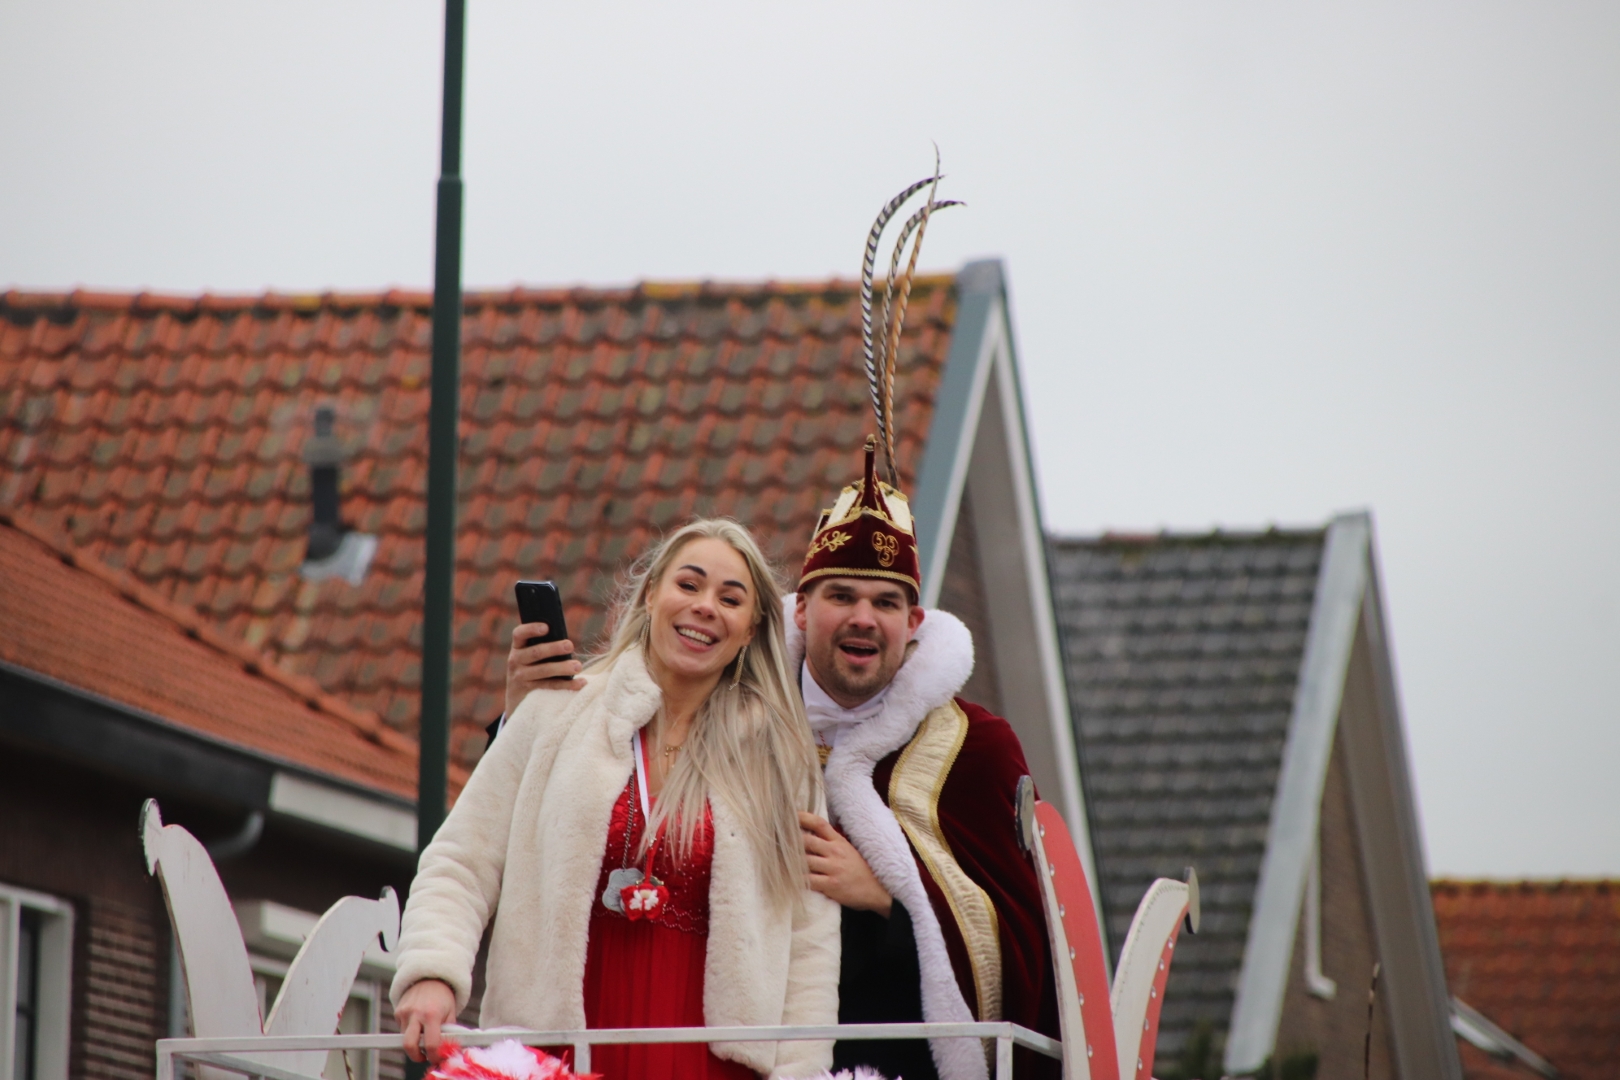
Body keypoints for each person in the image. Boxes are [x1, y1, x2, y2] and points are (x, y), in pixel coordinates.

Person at [391, 519, 840, 1080]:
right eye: (688, 585)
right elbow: (463, 859)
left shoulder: (781, 758)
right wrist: (432, 972)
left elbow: (809, 938)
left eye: (731, 599)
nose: (705, 607)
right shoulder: (556, 710)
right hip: (558, 1053)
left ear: (751, 630)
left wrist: (802, 1072)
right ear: (650, 595)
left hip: (712, 1064)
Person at [791, 438, 1061, 1080]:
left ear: (913, 622)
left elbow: (1023, 951)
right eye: (841, 596)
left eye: (885, 603)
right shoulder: (733, 722)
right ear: (801, 610)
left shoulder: (977, 748)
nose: (863, 618)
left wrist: (885, 897)